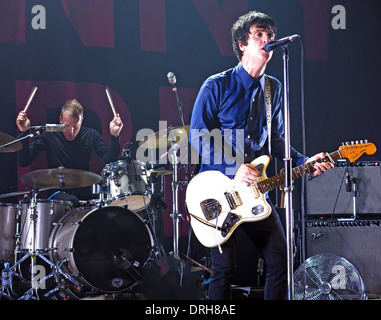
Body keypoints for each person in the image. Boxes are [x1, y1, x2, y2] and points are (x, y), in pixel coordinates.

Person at [189, 11, 333, 300]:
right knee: (224, 269)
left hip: (256, 193)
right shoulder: (216, 85)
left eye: (270, 35)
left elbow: (276, 142)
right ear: (242, 43)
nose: (267, 40)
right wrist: (234, 167)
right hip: (218, 193)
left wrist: (305, 161)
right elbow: (198, 136)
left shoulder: (273, 90)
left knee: (281, 260)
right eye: (259, 34)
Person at [16, 98, 123, 205]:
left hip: (84, 191)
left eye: (75, 127)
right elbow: (24, 161)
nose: (71, 132)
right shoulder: (49, 134)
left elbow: (110, 162)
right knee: (71, 200)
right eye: (67, 126)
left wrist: (114, 135)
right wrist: (24, 131)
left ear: (82, 120)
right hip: (57, 193)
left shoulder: (91, 135)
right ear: (60, 120)